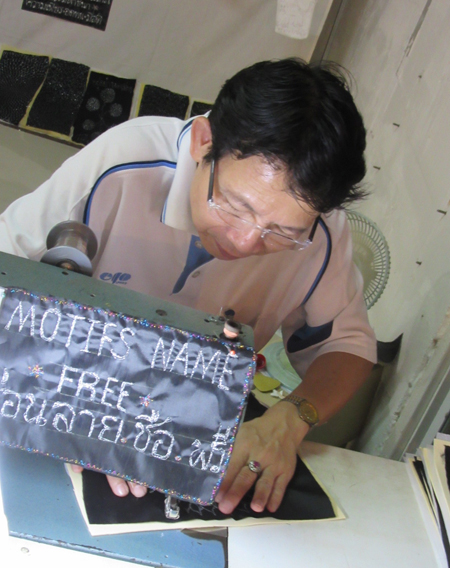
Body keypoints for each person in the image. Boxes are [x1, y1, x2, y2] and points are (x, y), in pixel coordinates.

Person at [0, 58, 376, 514]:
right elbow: (8, 272)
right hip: (60, 395)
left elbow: (349, 346)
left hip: (193, 430)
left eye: (281, 232)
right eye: (234, 207)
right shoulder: (123, 163)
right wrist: (75, 396)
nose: (244, 241)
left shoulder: (321, 231)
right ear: (204, 143)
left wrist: (291, 420)